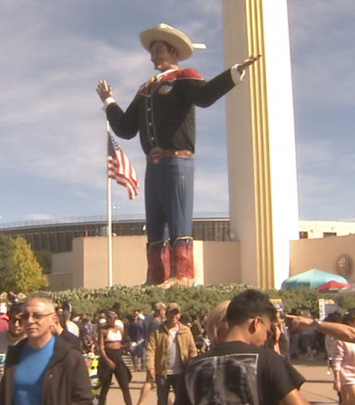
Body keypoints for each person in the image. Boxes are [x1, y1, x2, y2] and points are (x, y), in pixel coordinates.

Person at [97, 23, 260, 286]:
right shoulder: (145, 89)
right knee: (155, 220)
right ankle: (157, 276)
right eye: (152, 52)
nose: (153, 57)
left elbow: (206, 95)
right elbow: (126, 128)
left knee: (178, 217)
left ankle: (182, 275)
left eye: (158, 50)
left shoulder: (185, 77)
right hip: (153, 164)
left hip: (178, 161)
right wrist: (109, 103)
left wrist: (234, 72)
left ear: (173, 51)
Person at [173, 289, 311, 405]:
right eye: (268, 331)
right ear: (256, 323)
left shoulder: (194, 368)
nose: (266, 338)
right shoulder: (268, 360)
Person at [145, 302, 198, 405]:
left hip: (181, 373)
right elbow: (151, 349)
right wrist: (150, 366)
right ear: (166, 314)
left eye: (176, 313)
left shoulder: (186, 330)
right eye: (171, 313)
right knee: (162, 404)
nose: (174, 316)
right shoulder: (158, 330)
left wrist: (193, 367)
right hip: (163, 372)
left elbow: (192, 351)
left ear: (179, 315)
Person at [95, 311, 142, 405]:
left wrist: (126, 345)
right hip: (108, 356)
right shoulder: (103, 331)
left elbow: (120, 343)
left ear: (115, 319)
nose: (109, 320)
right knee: (105, 386)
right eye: (108, 318)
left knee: (125, 385)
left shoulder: (119, 330)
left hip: (118, 357)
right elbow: (101, 347)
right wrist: (107, 361)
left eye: (111, 318)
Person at [135, 303, 166, 405]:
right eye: (164, 310)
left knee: (161, 381)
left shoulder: (150, 321)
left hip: (154, 353)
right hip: (155, 354)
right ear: (160, 311)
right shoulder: (156, 323)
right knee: (150, 380)